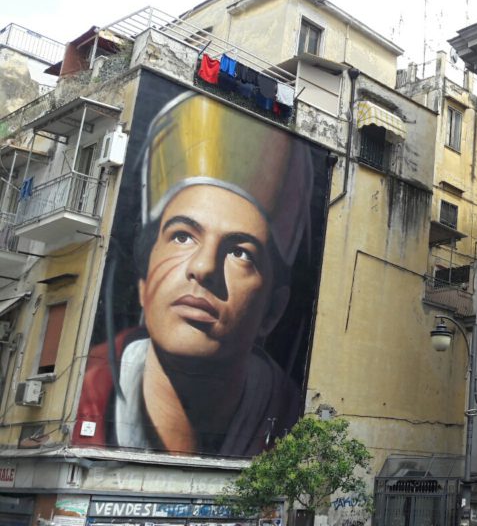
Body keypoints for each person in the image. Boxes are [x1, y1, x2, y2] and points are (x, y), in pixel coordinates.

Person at [77, 92, 314, 456]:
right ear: (143, 278)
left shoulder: (292, 429)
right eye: (183, 236)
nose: (203, 268)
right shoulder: (83, 395)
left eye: (239, 252)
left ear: (273, 309)